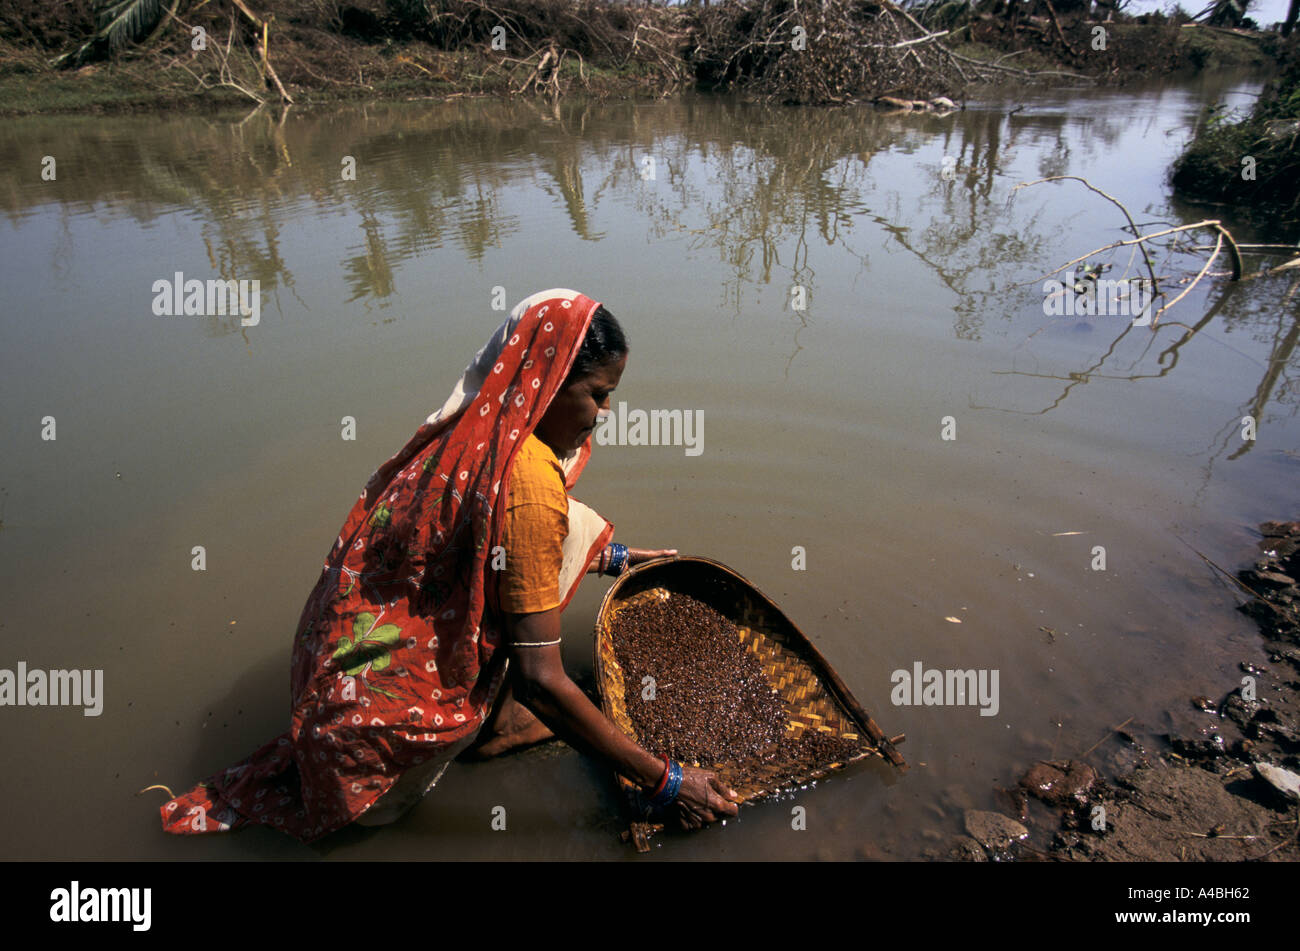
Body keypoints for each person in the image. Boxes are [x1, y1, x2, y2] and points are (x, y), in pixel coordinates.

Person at [159, 289, 739, 842]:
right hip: (376, 776)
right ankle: (490, 729)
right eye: (596, 392)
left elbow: (478, 540)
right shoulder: (530, 485)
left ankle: (488, 711)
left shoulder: (471, 432)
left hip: (334, 701)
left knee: (565, 528)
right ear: (550, 383)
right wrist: (668, 783)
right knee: (550, 623)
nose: (605, 412)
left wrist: (609, 555)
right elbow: (541, 683)